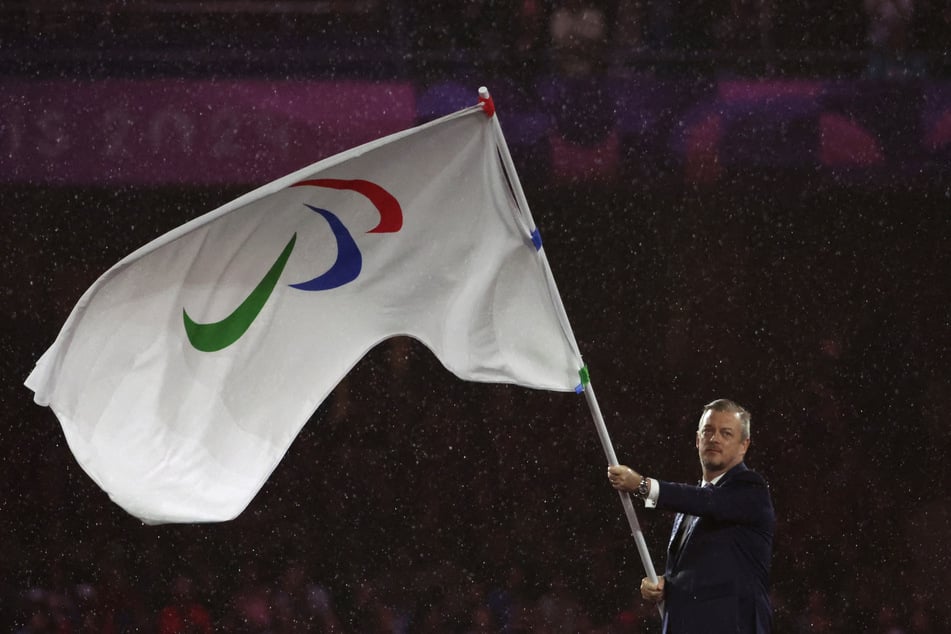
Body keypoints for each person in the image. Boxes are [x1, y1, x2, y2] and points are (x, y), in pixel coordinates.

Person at [607, 398, 775, 634]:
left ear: (743, 445)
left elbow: (710, 502)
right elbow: (705, 572)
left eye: (726, 433)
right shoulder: (691, 504)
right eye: (708, 431)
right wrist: (667, 585)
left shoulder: (751, 489)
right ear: (697, 440)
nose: (714, 438)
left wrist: (643, 485)